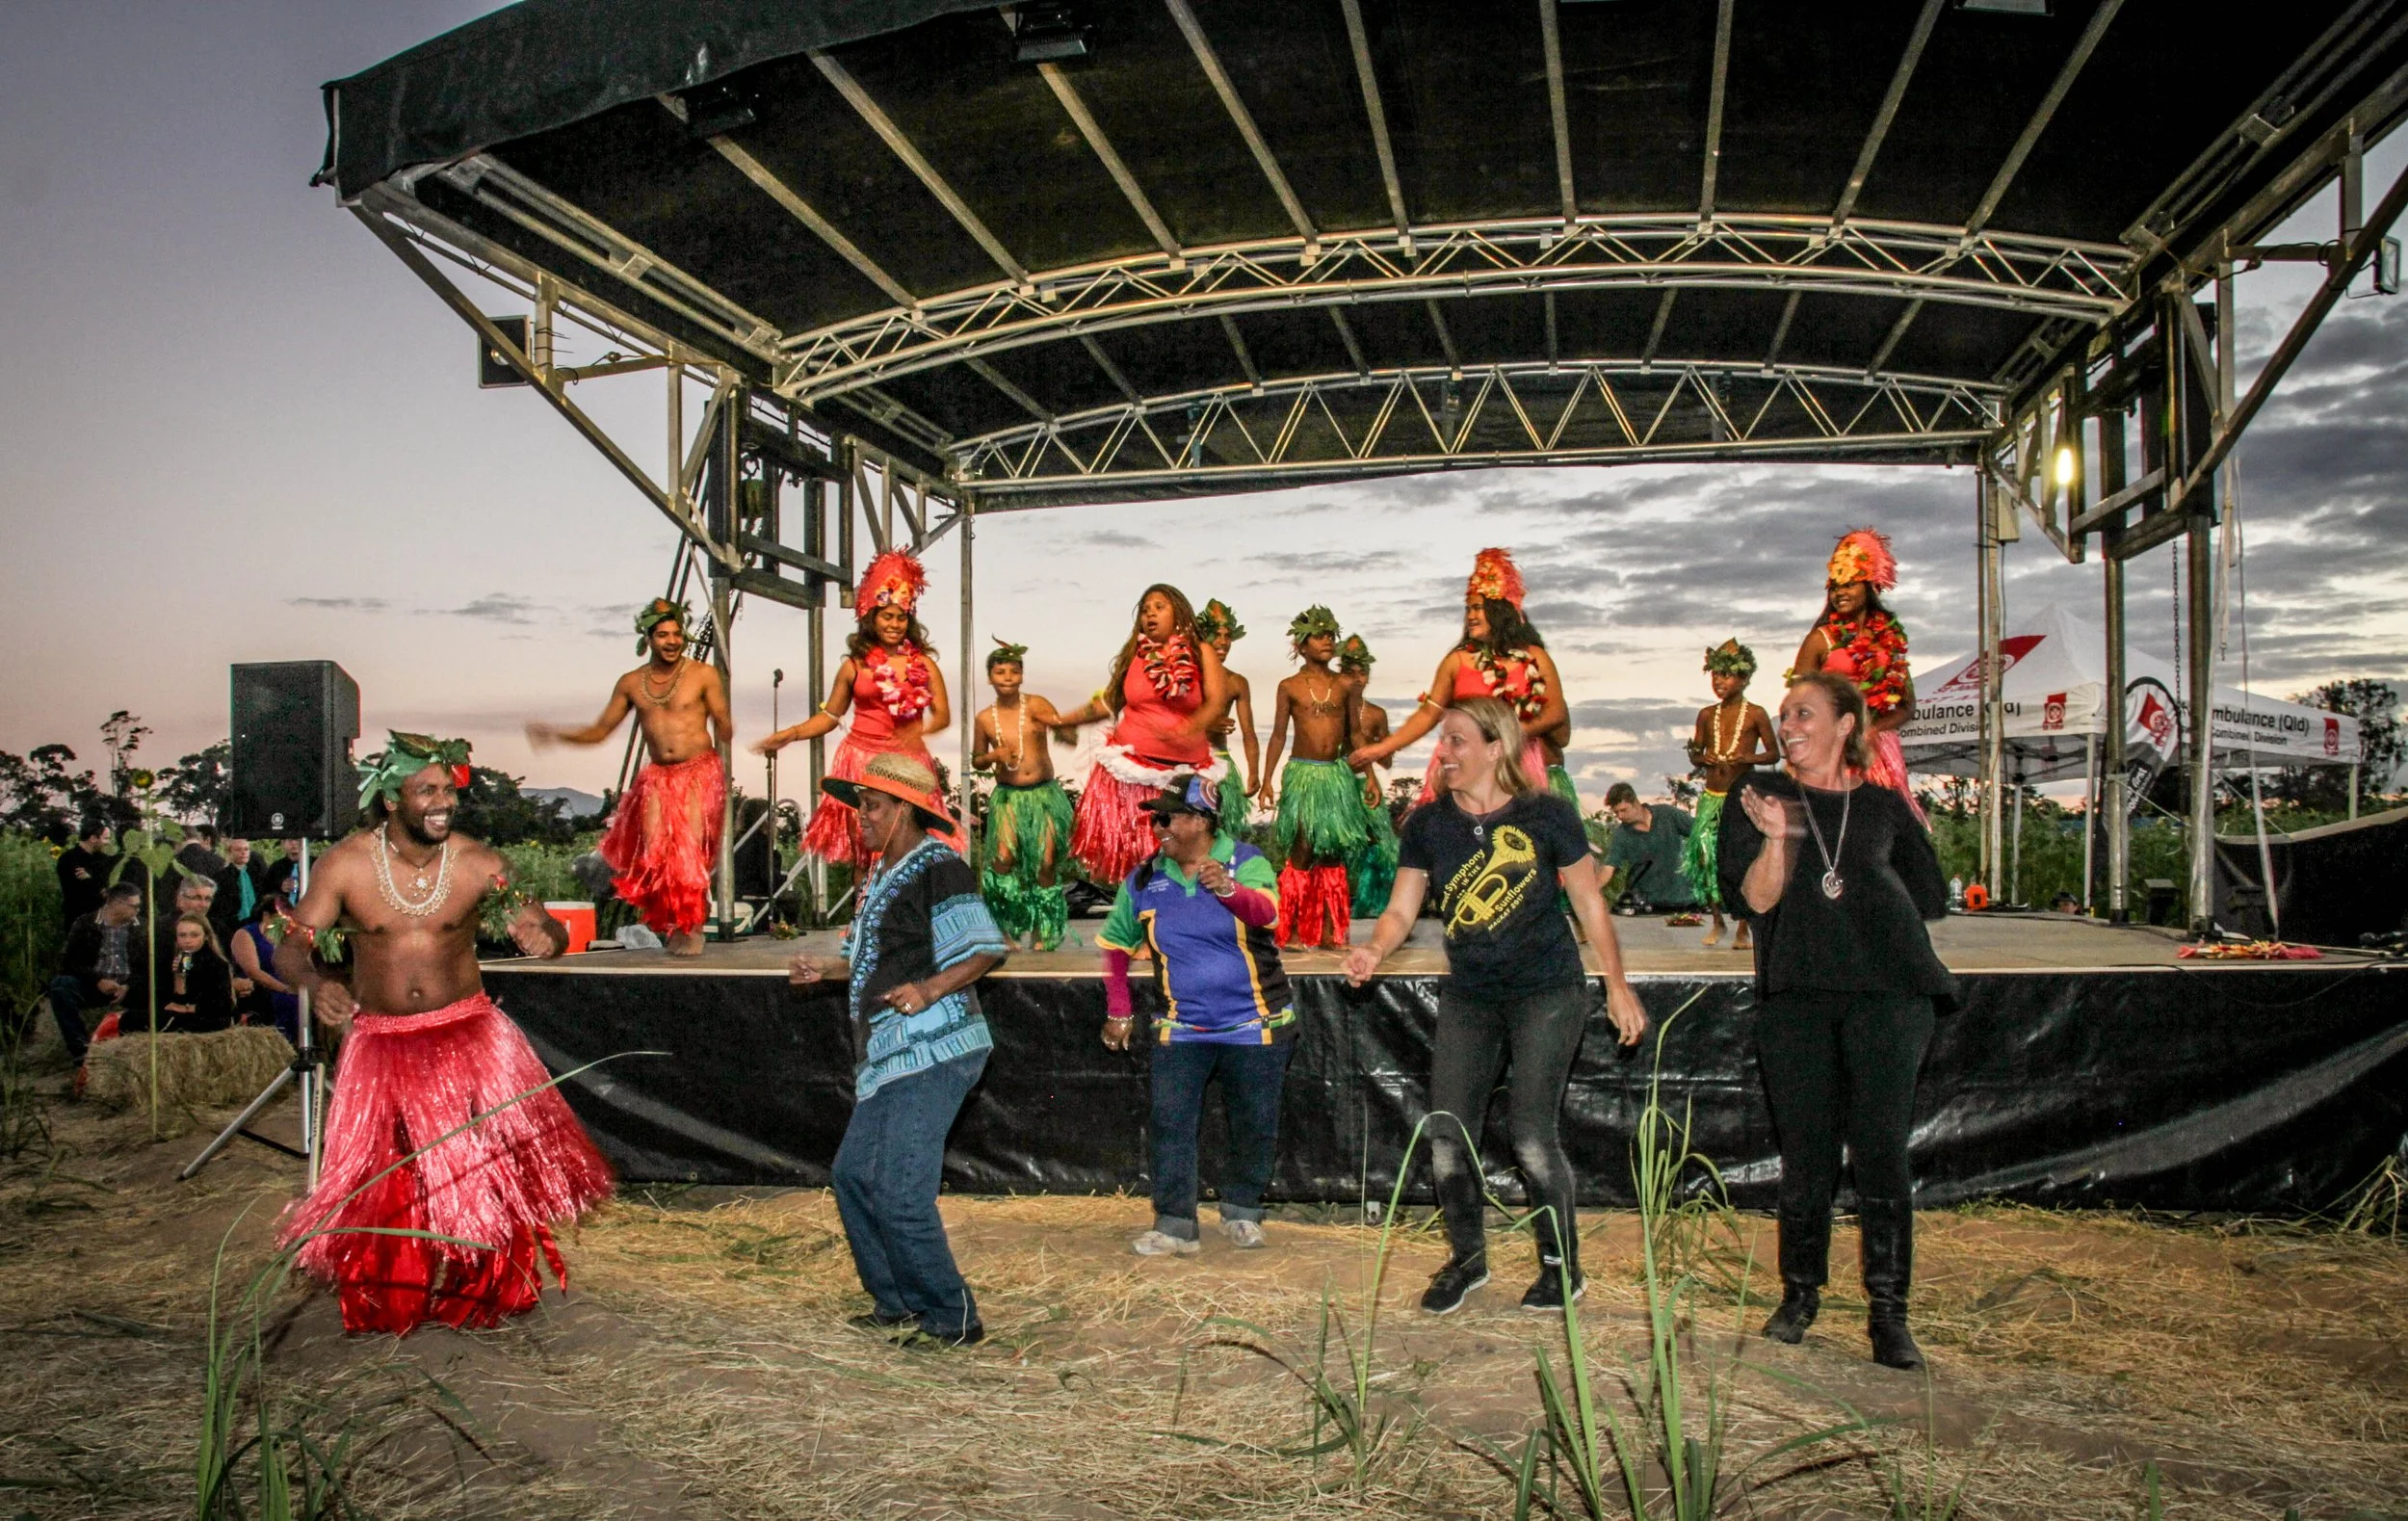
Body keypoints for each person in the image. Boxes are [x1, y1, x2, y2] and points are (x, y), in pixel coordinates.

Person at [274, 732, 613, 1336]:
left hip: (469, 1036)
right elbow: (290, 947)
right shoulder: (345, 864)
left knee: (483, 1171)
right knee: (387, 1178)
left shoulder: (481, 864)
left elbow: (549, 928)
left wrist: (547, 939)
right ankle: (392, 1298)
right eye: (426, 791)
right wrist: (315, 982)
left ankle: (484, 1294)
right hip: (382, 1042)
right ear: (390, 800)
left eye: (449, 791)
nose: (444, 802)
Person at [1344, 697, 1649, 1315]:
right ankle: (1467, 1260)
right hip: (1471, 995)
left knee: (1531, 1136)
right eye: (1443, 741)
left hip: (1548, 991)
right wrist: (1373, 948)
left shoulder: (1547, 814)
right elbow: (1401, 909)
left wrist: (1617, 985)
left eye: (1457, 740)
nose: (1444, 752)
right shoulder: (1427, 825)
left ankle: (1561, 1266)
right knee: (1447, 1136)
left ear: (1495, 747)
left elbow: (1589, 903)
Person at [1717, 671, 1952, 1372]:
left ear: (1846, 725)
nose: (1787, 726)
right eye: (1784, 715)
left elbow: (1930, 897)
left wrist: (1866, 891)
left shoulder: (1882, 805)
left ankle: (1889, 1314)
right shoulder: (1758, 794)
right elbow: (1755, 901)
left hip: (1890, 996)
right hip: (1797, 1001)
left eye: (1803, 713)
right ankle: (1799, 1296)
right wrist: (1780, 839)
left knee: (1881, 1151)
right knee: (1808, 1155)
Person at [787, 752, 1008, 1348]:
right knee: (854, 1175)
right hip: (892, 1053)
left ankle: (952, 1319)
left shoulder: (940, 867)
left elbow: (985, 949)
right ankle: (898, 1301)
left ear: (905, 809)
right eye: (861, 805)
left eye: (873, 806)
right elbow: (873, 960)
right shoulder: (881, 874)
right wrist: (827, 971)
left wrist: (929, 989)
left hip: (936, 1048)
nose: (860, 816)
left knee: (901, 1190)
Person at [1097, 774, 1295, 1255]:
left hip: (1256, 1024)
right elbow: (1115, 945)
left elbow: (1267, 914)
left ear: (1201, 820)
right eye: (1155, 819)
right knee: (1170, 1121)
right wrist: (1119, 1009)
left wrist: (1228, 888)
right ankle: (1175, 1224)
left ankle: (1242, 1210)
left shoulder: (1246, 861)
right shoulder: (1144, 878)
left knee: (1254, 1123)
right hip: (1181, 1026)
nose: (1158, 827)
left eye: (1168, 818)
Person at [529, 596, 734, 955]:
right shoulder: (631, 683)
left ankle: (691, 928)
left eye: (677, 634)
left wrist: (724, 731)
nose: (672, 641)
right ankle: (673, 922)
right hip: (658, 777)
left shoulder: (702, 675)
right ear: (648, 639)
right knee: (654, 856)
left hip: (699, 771)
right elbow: (600, 730)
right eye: (663, 635)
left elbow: (723, 723)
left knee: (687, 855)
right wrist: (558, 734)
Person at [756, 552, 965, 865]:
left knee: (908, 849)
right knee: (865, 854)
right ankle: (864, 898)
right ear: (872, 618)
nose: (894, 624)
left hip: (905, 763)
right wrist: (792, 733)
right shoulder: (855, 666)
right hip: (860, 762)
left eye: (901, 618)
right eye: (887, 616)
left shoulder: (923, 664)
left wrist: (918, 732)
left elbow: (943, 716)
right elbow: (830, 717)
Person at [1350, 548, 1576, 814]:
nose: (1470, 616)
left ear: (1498, 611)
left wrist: (1503, 737)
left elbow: (1555, 713)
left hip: (1516, 765)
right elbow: (1428, 714)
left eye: (1478, 608)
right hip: (1463, 765)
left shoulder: (1535, 657)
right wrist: (1380, 749)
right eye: (1468, 609)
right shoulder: (1456, 661)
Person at [1055, 585, 1232, 886]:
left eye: (1159, 607)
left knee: (1182, 862)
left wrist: (1188, 727)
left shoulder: (1200, 652)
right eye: (1145, 609)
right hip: (1131, 775)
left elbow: (1216, 702)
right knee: (1132, 863)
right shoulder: (1134, 655)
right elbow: (1109, 701)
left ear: (1178, 613)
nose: (1150, 614)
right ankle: (1132, 912)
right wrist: (1063, 720)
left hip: (1182, 780)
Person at [1791, 529, 1924, 826]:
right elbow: (1796, 704)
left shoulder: (1889, 641)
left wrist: (1871, 731)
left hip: (1878, 754)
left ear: (1870, 586)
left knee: (1881, 830)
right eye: (1835, 587)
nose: (1840, 593)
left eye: (1849, 584)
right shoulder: (1820, 640)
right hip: (1830, 752)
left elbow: (1907, 706)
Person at [1257, 606, 1369, 949]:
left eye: (1331, 636)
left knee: (1333, 852)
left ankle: (1331, 931)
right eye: (1319, 636)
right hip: (1303, 774)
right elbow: (1278, 735)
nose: (1327, 641)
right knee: (1303, 850)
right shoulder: (1289, 686)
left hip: (1336, 776)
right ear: (1301, 645)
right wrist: (1266, 780)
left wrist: (1370, 777)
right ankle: (1290, 929)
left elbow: (1355, 735)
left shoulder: (1345, 685)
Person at [970, 639, 1076, 951]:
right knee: (1003, 859)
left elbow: (1066, 733)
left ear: (1021, 676)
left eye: (1014, 671)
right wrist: (994, 756)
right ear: (989, 677)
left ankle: (1044, 930)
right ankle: (1003, 929)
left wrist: (1064, 729)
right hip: (1008, 797)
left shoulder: (1038, 705)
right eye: (1000, 672)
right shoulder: (984, 718)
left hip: (1044, 795)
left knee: (1045, 862)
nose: (1007, 677)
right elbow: (977, 759)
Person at [1684, 640, 1780, 949]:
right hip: (1711, 797)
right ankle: (1717, 922)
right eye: (1715, 675)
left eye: (1726, 675)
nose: (1719, 681)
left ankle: (1743, 928)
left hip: (1741, 800)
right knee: (1704, 857)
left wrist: (1747, 758)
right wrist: (1703, 758)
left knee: (1741, 860)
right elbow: (1695, 753)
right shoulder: (1706, 715)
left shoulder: (1756, 714)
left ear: (1744, 678)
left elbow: (1774, 754)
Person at [48, 880, 143, 1094]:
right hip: (94, 986)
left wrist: (128, 986)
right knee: (61, 986)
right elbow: (69, 962)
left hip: (130, 988)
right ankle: (83, 1054)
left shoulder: (142, 927)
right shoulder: (86, 923)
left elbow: (148, 965)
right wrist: (97, 980)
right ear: (116, 903)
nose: (138, 910)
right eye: (134, 906)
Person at [1337, 634, 1399, 920]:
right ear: (1342, 674)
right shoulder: (1333, 708)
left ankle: (1377, 902)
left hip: (1365, 781)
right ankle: (1338, 901)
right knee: (1341, 844)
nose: (1357, 679)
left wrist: (1378, 745)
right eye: (1351, 672)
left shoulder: (1376, 714)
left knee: (1382, 842)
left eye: (1362, 673)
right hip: (1337, 782)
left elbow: (1387, 761)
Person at [1194, 599, 1261, 834]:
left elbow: (1249, 733)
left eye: (1228, 636)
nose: (1223, 642)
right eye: (1217, 635)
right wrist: (1207, 723)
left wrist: (1254, 771)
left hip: (1221, 764)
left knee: (1222, 832)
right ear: (1202, 637)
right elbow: (1169, 721)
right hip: (1188, 764)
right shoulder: (1186, 677)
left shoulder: (1236, 682)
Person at [1599, 783, 1698, 911]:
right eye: (1616, 812)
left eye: (1623, 810)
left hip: (1684, 901)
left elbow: (1701, 831)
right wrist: (1590, 891)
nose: (1620, 816)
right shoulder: (1621, 834)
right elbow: (1609, 867)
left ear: (1635, 803)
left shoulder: (1667, 814)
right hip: (1647, 906)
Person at [231, 883, 303, 1043]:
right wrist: (285, 989)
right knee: (289, 1001)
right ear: (266, 916)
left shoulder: (287, 936)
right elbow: (253, 971)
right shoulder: (246, 934)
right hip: (261, 989)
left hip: (287, 984)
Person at [160, 914, 237, 1034]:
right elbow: (174, 1001)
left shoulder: (216, 963)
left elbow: (223, 1005)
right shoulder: (173, 959)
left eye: (194, 935)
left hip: (210, 1018)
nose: (187, 940)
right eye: (182, 935)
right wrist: (180, 978)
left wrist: (187, 1008)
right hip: (183, 1014)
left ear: (205, 936)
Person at [55, 819, 116, 928]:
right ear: (93, 838)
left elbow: (109, 890)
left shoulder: (105, 860)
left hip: (102, 919)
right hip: (77, 918)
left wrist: (90, 879)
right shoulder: (69, 859)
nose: (108, 842)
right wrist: (97, 885)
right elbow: (78, 891)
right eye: (105, 838)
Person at [211, 835, 268, 942]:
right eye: (238, 850)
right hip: (232, 926)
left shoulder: (257, 874)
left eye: (246, 849)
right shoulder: (221, 877)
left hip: (257, 923)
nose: (243, 853)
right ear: (229, 852)